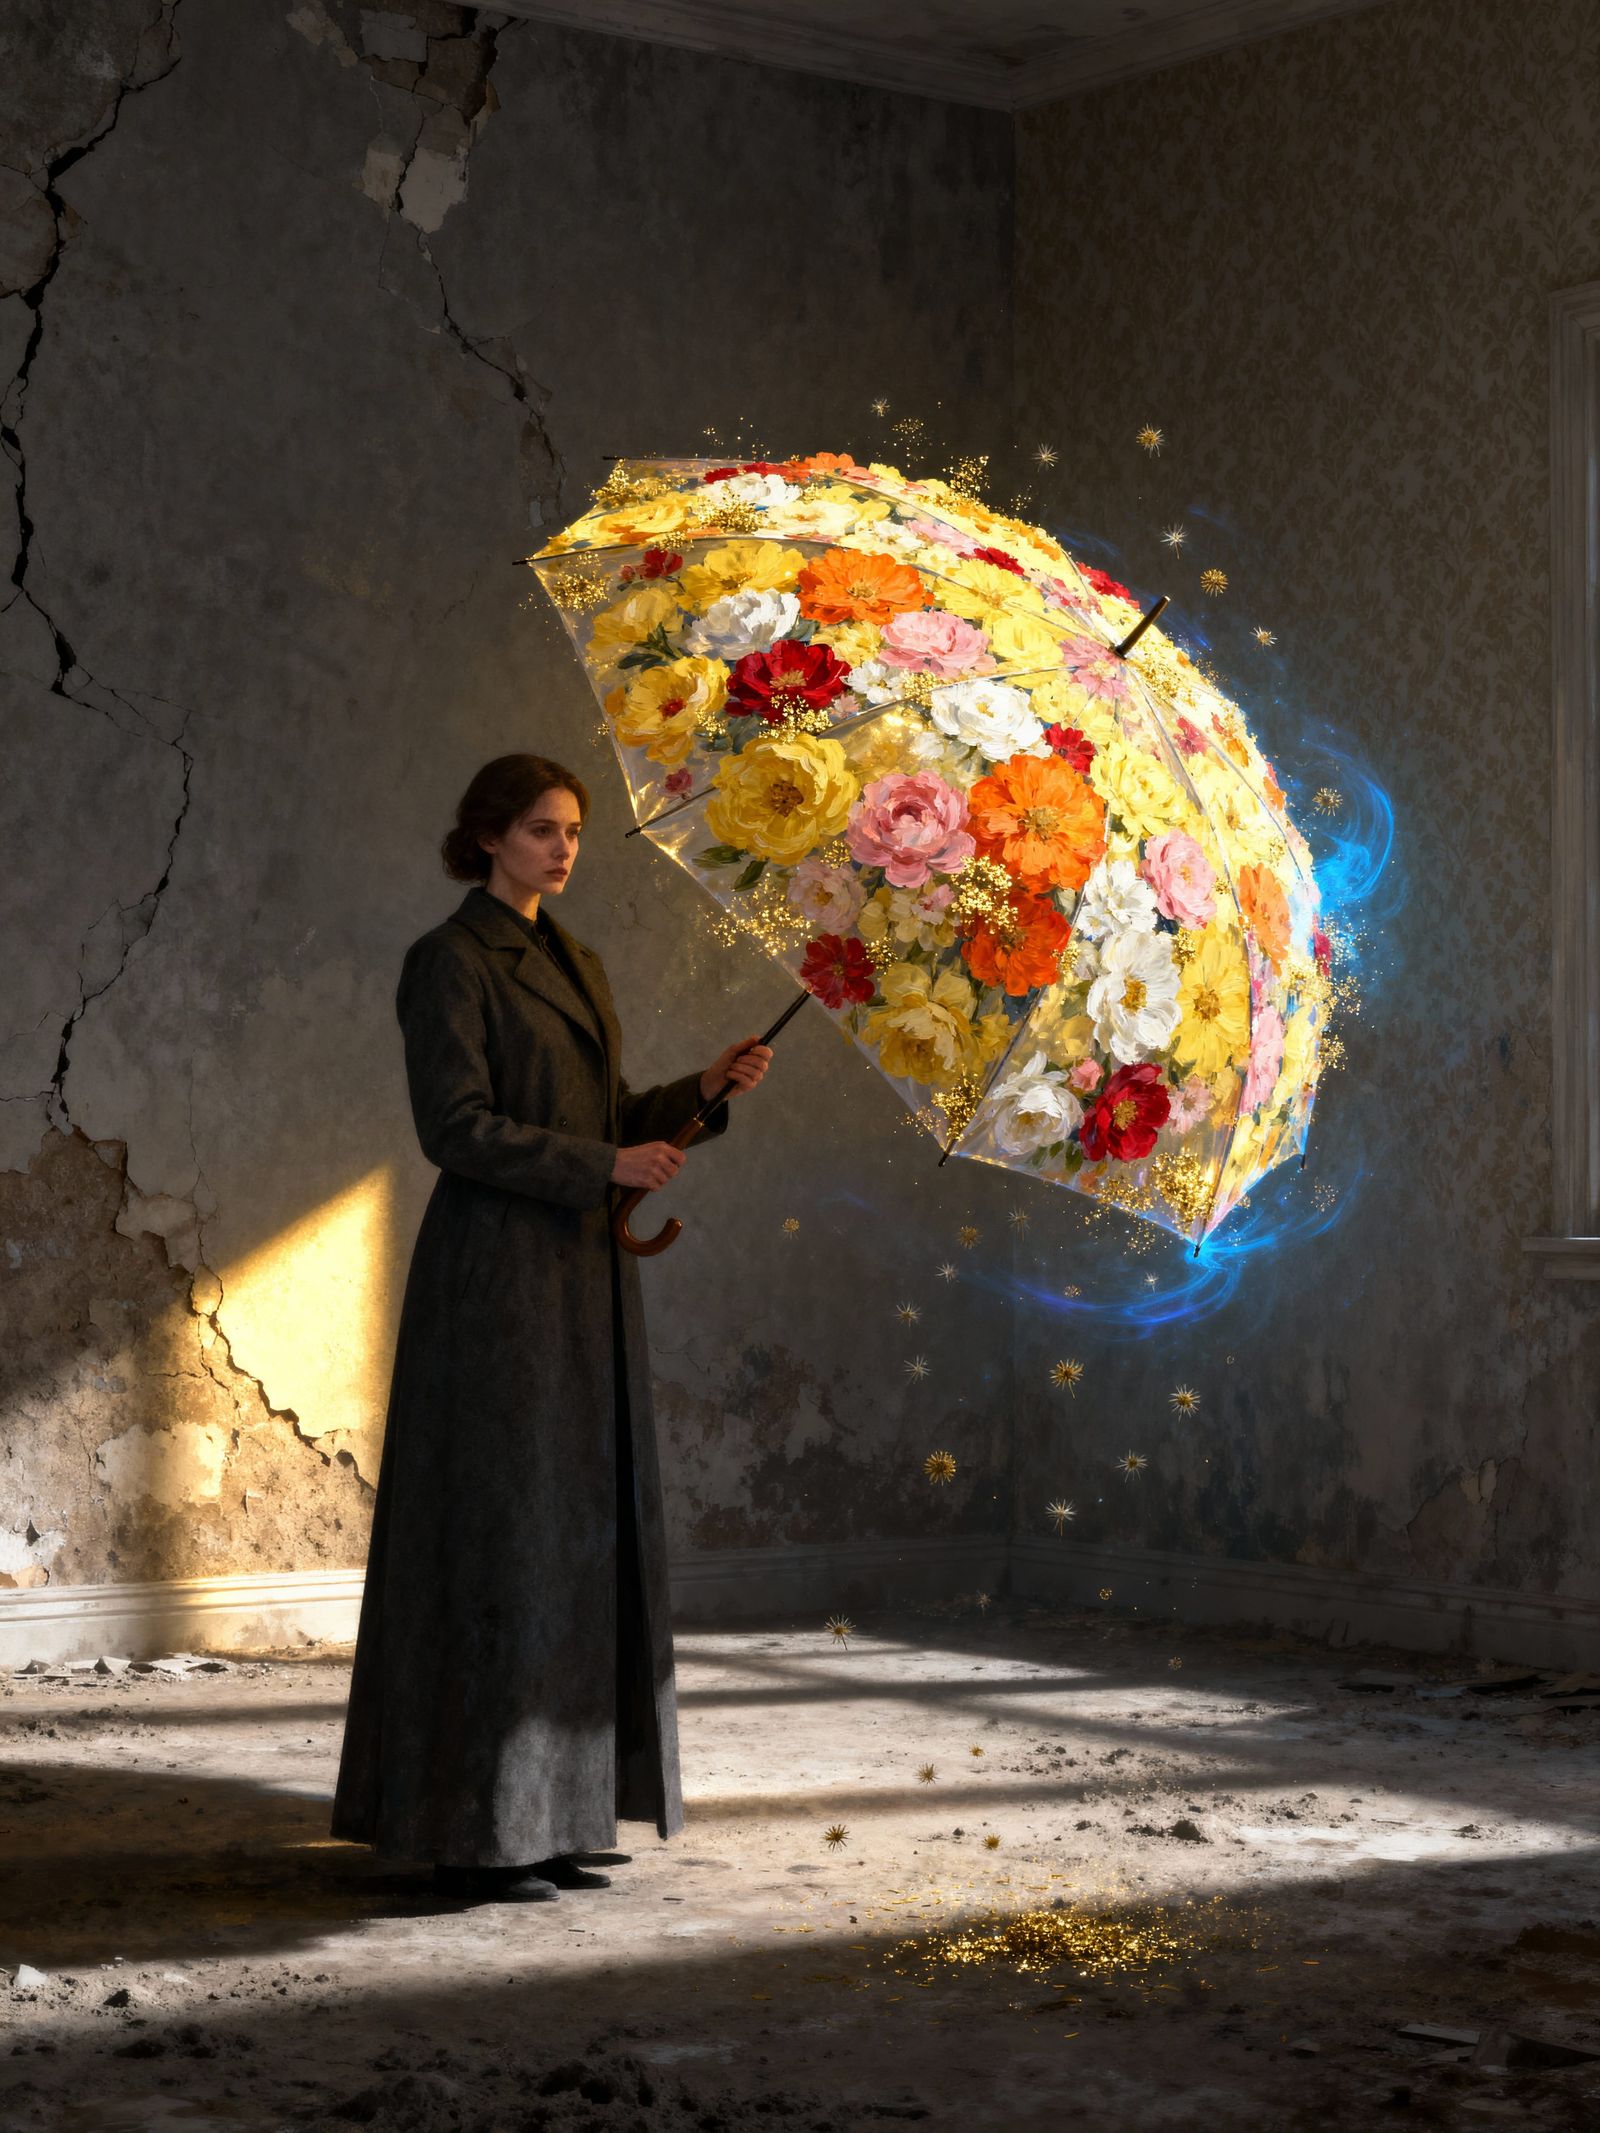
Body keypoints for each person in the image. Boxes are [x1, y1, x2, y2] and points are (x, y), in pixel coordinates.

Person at [330, 752, 771, 1902]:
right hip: (494, 1286)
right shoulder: (450, 962)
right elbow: (457, 1128)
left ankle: (555, 1816)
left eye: (572, 829)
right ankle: (467, 1831)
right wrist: (607, 1161)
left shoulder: (577, 959)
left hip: (579, 1280)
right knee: (496, 1536)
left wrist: (700, 1092)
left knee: (573, 1542)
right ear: (485, 837)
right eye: (539, 829)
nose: (562, 848)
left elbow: (608, 1119)